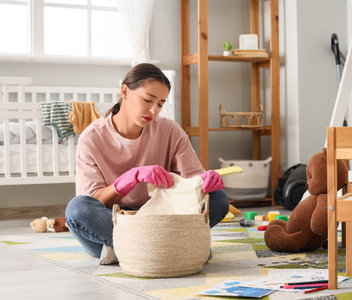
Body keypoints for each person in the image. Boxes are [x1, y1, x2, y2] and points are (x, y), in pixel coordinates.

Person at [65, 63, 229, 263]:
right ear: (124, 91)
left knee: (218, 198)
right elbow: (92, 200)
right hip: (116, 221)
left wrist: (206, 181)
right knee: (77, 209)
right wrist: (127, 180)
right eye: (148, 100)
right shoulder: (92, 137)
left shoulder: (170, 131)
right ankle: (178, 248)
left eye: (160, 104)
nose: (153, 110)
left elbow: (193, 183)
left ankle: (135, 250)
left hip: (163, 215)